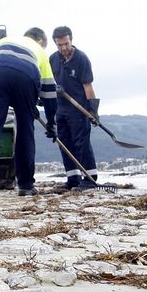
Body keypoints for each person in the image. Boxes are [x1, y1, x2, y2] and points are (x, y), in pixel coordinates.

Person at [0, 27, 57, 197]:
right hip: (26, 77)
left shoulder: (4, 41)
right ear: (40, 41)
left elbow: (1, 71)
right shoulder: (40, 52)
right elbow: (50, 93)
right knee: (25, 131)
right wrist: (52, 122)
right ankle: (26, 185)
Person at [49, 26, 99, 189]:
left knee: (81, 143)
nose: (64, 48)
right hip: (61, 109)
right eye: (59, 45)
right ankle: (73, 179)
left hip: (79, 109)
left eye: (66, 44)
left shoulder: (81, 58)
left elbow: (87, 85)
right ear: (55, 44)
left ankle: (90, 178)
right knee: (64, 144)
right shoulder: (53, 59)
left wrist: (93, 110)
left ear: (71, 40)